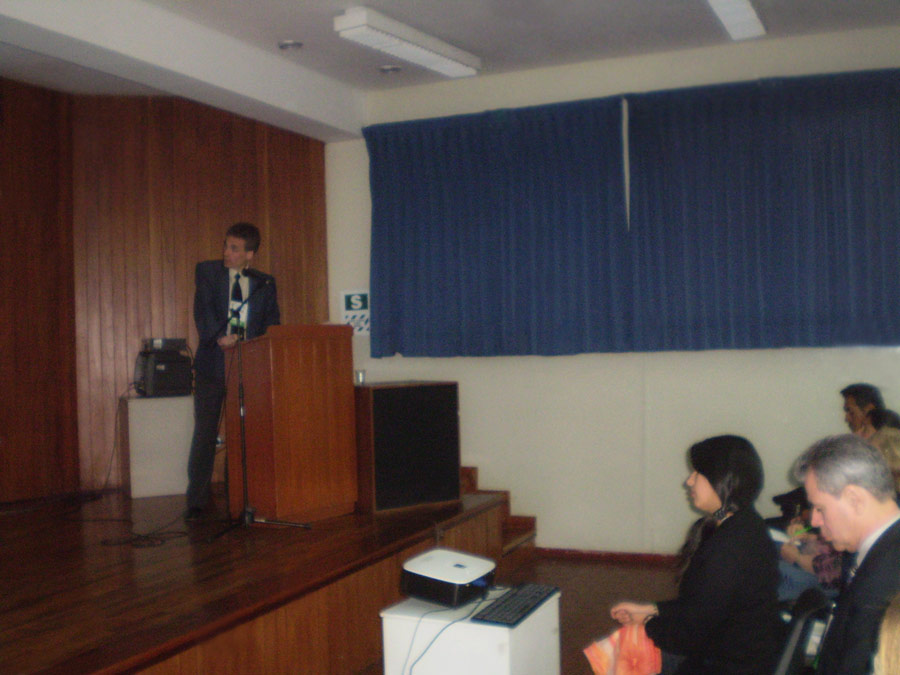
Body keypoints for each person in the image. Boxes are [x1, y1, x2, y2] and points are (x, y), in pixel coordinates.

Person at [610, 435, 781, 674]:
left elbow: (688, 636)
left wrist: (646, 625)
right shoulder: (746, 523)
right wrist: (651, 610)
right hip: (732, 654)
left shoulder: (729, 547)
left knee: (621, 656)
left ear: (722, 480)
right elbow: (700, 607)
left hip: (725, 664)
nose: (689, 481)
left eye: (698, 473)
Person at [185, 222, 280, 520]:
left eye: (234, 248)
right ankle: (196, 500)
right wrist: (219, 337)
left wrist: (255, 345)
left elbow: (272, 324)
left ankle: (237, 493)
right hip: (213, 364)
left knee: (242, 433)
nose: (226, 252)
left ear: (250, 254)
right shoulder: (208, 272)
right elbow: (203, 312)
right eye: (226, 245)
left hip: (247, 368)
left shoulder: (265, 283)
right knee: (205, 432)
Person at [793, 434, 900, 675]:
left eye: (820, 508)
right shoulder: (878, 550)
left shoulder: (886, 581)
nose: (814, 520)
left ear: (854, 499)